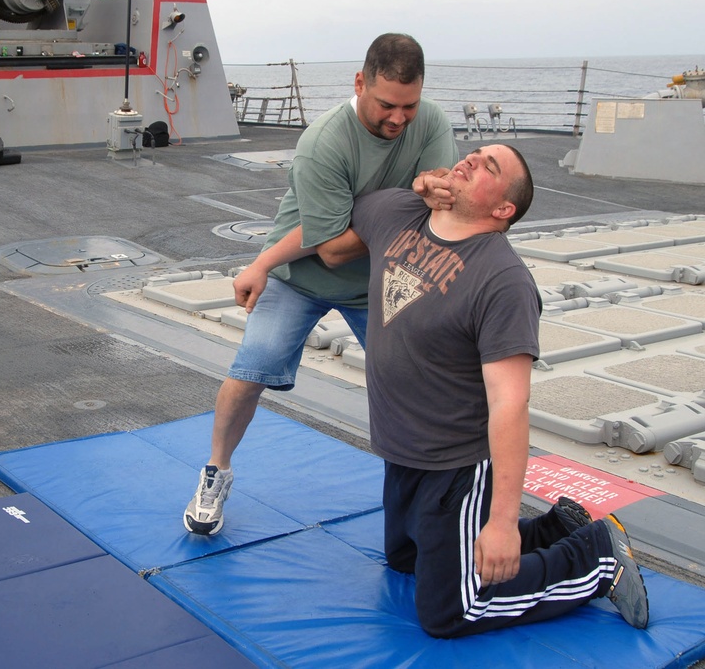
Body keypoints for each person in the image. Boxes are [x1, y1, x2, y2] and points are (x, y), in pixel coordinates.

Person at [243, 144, 650, 636]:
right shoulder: (401, 212)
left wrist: (501, 521)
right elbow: (325, 227)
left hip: (455, 461)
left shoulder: (502, 280)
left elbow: (510, 402)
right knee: (405, 560)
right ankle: (556, 528)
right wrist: (262, 263)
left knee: (452, 609)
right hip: (402, 450)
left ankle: (596, 557)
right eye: (475, 153)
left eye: (489, 167)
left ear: (502, 210)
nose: (472, 160)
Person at [184, 33, 459, 536]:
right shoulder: (324, 142)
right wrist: (410, 201)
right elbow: (329, 246)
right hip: (303, 275)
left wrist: (429, 190)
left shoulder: (432, 122)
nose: (398, 119)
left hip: (377, 280)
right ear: (359, 83)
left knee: (415, 387)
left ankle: (423, 500)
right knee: (251, 371)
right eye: (386, 105)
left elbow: (440, 193)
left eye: (409, 106)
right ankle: (216, 470)